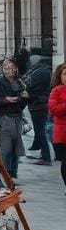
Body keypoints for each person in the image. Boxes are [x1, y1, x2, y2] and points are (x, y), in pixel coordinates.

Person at [0, 59, 29, 185]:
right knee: (5, 150)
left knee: (15, 149)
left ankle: (10, 176)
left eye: (12, 67)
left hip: (16, 117)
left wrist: (25, 98)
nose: (9, 70)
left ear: (16, 68)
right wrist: (6, 100)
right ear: (2, 69)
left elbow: (24, 101)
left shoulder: (19, 81)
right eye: (6, 67)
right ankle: (0, 179)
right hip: (3, 118)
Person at [24, 57, 53, 164]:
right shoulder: (45, 71)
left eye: (32, 60)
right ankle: (43, 155)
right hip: (40, 104)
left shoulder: (39, 72)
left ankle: (46, 157)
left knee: (40, 131)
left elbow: (30, 85)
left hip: (38, 105)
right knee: (40, 130)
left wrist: (27, 92)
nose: (31, 62)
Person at [46, 63, 66, 193]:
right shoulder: (57, 90)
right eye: (64, 74)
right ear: (60, 76)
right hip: (62, 134)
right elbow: (53, 110)